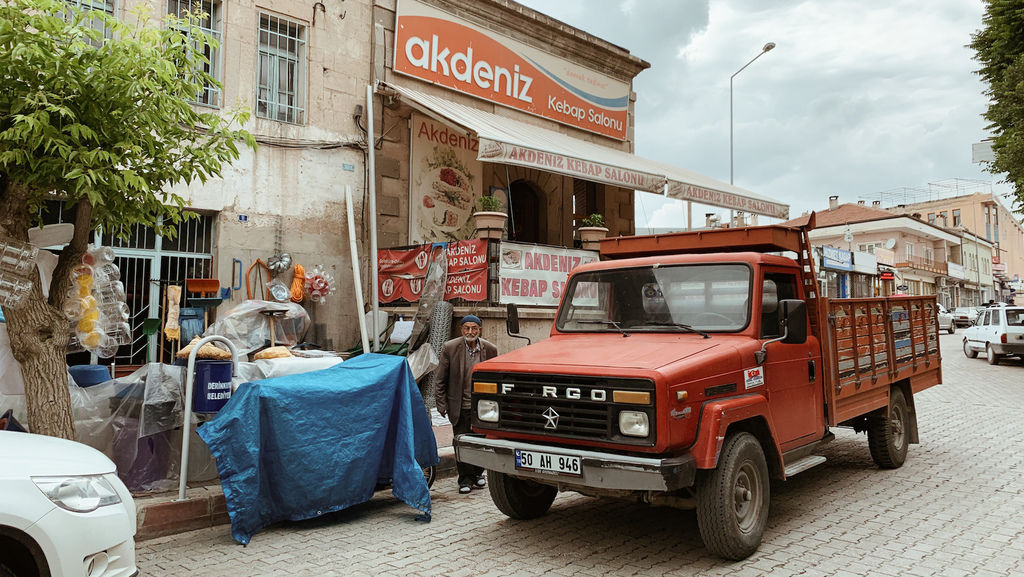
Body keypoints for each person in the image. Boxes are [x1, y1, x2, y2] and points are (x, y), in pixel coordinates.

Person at [434, 314, 498, 494]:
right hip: (459, 405)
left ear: (480, 330)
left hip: (482, 407)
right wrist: (441, 404)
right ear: (462, 329)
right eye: (467, 328)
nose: (470, 332)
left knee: (480, 442)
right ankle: (464, 479)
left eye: (474, 328)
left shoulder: (490, 349)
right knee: (462, 443)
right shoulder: (450, 348)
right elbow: (440, 380)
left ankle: (478, 475)